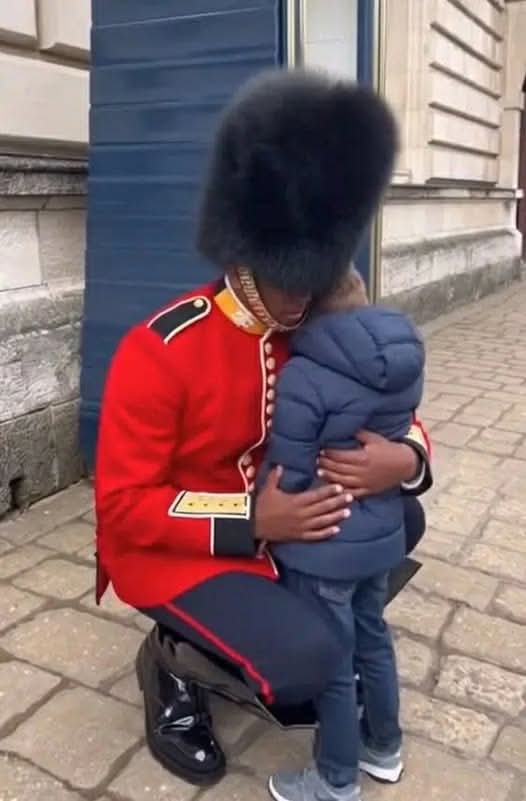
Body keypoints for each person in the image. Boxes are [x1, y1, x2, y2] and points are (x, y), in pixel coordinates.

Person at [94, 67, 432, 788]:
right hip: (180, 545)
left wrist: (401, 459)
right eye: (290, 278)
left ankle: (272, 631)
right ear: (246, 251)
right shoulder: (162, 348)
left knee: (403, 519)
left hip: (292, 526)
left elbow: (397, 413)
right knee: (311, 660)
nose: (304, 297)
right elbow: (123, 506)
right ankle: (172, 663)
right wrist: (251, 519)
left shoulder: (318, 314)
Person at [260, 268, 425, 801]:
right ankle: (385, 748)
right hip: (380, 537)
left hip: (323, 542)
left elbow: (288, 473)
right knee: (373, 641)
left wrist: (262, 517)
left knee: (330, 663)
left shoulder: (305, 376)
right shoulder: (404, 358)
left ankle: (334, 779)